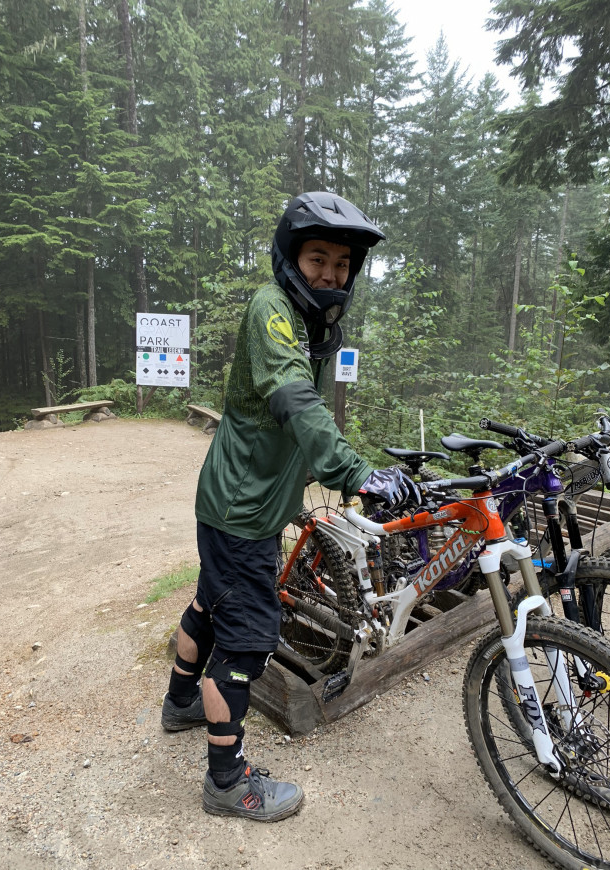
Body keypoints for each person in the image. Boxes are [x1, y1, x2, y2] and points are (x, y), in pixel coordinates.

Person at [160, 191, 419, 822]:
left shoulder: (312, 322)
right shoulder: (273, 309)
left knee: (209, 602)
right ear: (289, 258)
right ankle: (227, 783)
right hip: (240, 511)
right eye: (318, 259)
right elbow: (296, 401)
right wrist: (355, 473)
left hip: (241, 504)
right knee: (246, 643)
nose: (331, 274)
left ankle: (181, 702)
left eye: (341, 264)